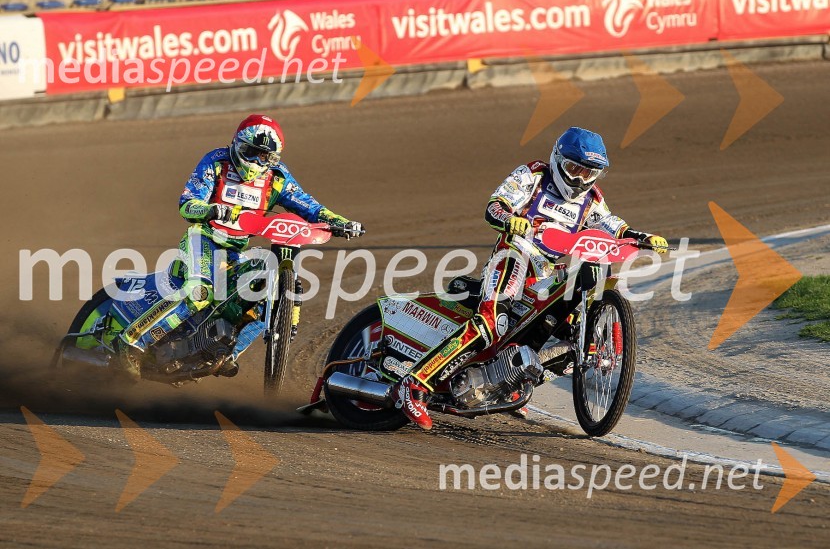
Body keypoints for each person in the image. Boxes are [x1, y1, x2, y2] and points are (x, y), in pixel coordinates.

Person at [392, 126, 668, 430]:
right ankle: (414, 383)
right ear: (558, 159)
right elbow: (495, 206)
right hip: (513, 256)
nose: (579, 180)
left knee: (571, 332)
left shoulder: (592, 198)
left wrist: (641, 237)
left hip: (546, 271)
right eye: (574, 169)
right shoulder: (533, 175)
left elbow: (611, 225)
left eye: (589, 173)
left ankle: (511, 384)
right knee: (491, 324)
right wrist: (511, 220)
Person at [117, 114, 363, 377]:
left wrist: (340, 222)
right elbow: (188, 203)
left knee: (262, 294)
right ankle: (132, 341)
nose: (257, 162)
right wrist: (213, 210)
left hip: (237, 250)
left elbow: (309, 206)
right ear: (236, 144)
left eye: (265, 157)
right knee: (199, 292)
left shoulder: (277, 178)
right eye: (251, 153)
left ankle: (224, 353)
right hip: (205, 237)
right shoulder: (217, 162)